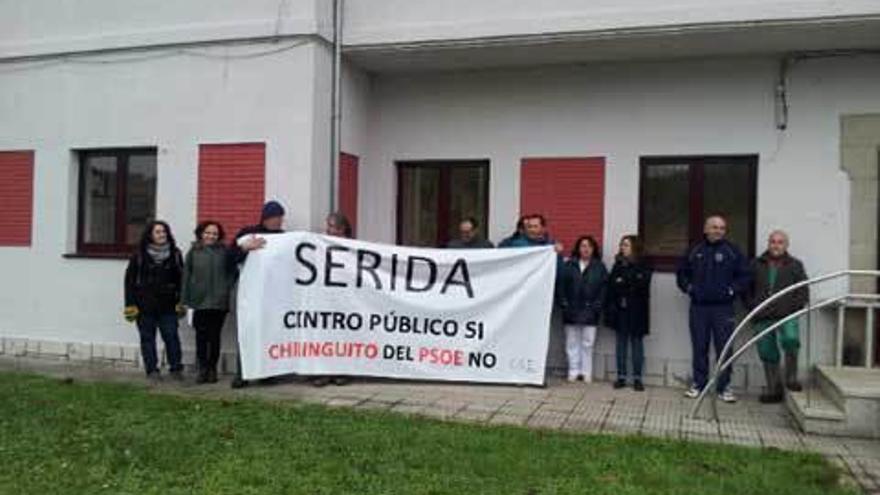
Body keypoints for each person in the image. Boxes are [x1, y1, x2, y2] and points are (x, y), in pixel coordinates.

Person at [676, 215, 751, 403]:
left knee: (724, 348)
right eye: (714, 227)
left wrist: (732, 290)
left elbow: (745, 276)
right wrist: (690, 288)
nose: (718, 231)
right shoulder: (695, 250)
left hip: (723, 309)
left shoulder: (732, 251)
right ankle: (699, 384)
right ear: (705, 229)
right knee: (699, 347)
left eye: (722, 228)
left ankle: (724, 386)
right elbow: (682, 274)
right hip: (699, 308)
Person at [230, 200, 287, 389]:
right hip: (249, 292)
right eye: (274, 218)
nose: (277, 221)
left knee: (269, 332)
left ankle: (266, 373)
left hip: (273, 293)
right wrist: (244, 248)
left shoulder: (285, 238)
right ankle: (243, 373)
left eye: (280, 218)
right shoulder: (247, 234)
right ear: (265, 218)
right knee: (246, 333)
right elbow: (229, 258)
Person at [747, 230, 809, 403]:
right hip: (762, 316)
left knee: (791, 339)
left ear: (786, 245)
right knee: (767, 351)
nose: (776, 245)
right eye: (773, 241)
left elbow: (803, 290)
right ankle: (774, 389)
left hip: (787, 314)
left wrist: (794, 307)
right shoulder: (756, 264)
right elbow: (746, 288)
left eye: (780, 242)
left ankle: (791, 379)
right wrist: (753, 306)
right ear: (768, 244)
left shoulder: (795, 265)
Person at [124, 220, 185, 383]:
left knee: (171, 337)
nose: (162, 235)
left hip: (169, 305)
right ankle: (152, 370)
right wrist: (130, 305)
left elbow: (182, 280)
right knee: (147, 339)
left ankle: (176, 368)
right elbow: (130, 281)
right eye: (158, 232)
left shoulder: (175, 254)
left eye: (164, 232)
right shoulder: (139, 255)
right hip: (144, 306)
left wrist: (182, 301)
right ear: (150, 235)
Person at [181, 221, 236, 384]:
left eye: (214, 234)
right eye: (208, 232)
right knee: (201, 336)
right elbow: (186, 276)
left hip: (219, 302)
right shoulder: (193, 252)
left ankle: (212, 369)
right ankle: (202, 369)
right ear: (201, 233)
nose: (211, 236)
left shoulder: (224, 252)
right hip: (199, 301)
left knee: (214, 336)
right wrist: (185, 299)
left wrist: (226, 287)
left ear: (219, 236)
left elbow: (233, 272)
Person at [311, 212, 355, 387]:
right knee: (325, 335)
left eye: (332, 226)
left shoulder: (354, 247)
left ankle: (341, 371)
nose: (329, 230)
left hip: (345, 298)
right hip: (325, 297)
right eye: (328, 226)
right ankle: (323, 372)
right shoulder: (320, 244)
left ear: (342, 228)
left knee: (343, 335)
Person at [606, 235, 653, 391]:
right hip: (621, 308)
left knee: (636, 343)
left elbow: (641, 283)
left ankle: (637, 378)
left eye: (626, 245)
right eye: (621, 245)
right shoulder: (618, 264)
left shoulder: (644, 264)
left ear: (634, 247)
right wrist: (624, 282)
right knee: (621, 343)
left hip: (638, 309)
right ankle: (621, 376)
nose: (622, 247)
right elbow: (613, 284)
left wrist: (624, 281)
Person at [558, 236, 607, 382]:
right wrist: (563, 303)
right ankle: (573, 370)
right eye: (583, 246)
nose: (585, 249)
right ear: (578, 249)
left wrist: (598, 304)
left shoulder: (599, 267)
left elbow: (604, 288)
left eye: (589, 246)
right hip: (571, 309)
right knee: (572, 342)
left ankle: (586, 372)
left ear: (593, 249)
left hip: (591, 310)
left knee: (588, 342)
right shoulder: (569, 265)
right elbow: (561, 286)